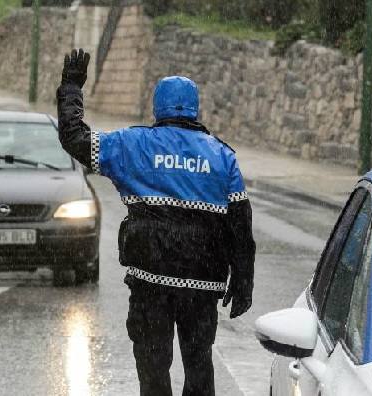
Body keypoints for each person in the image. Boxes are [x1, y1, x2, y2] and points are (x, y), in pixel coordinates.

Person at [56, 48, 255, 396]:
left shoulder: (131, 145)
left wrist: (72, 88)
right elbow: (241, 230)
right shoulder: (223, 157)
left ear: (157, 107)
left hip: (151, 284)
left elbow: (74, 139)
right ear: (196, 108)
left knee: (152, 370)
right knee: (198, 366)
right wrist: (243, 284)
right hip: (203, 286)